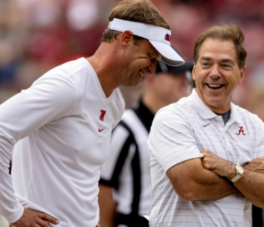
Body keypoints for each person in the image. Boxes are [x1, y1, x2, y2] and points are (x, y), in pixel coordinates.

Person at [0, 0, 185, 226]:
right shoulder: (68, 85)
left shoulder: (115, 102)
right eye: (150, 56)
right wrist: (14, 211)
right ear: (126, 39)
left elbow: (84, 172)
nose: (153, 69)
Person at [148, 24, 264, 226]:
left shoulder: (255, 125)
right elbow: (191, 187)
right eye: (206, 64)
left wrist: (230, 169)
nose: (214, 73)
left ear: (241, 74)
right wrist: (248, 174)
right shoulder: (171, 117)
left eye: (225, 65)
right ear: (194, 72)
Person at [98, 59, 193, 227]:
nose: (185, 80)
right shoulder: (126, 128)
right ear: (151, 80)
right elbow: (103, 189)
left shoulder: (184, 128)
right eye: (175, 75)